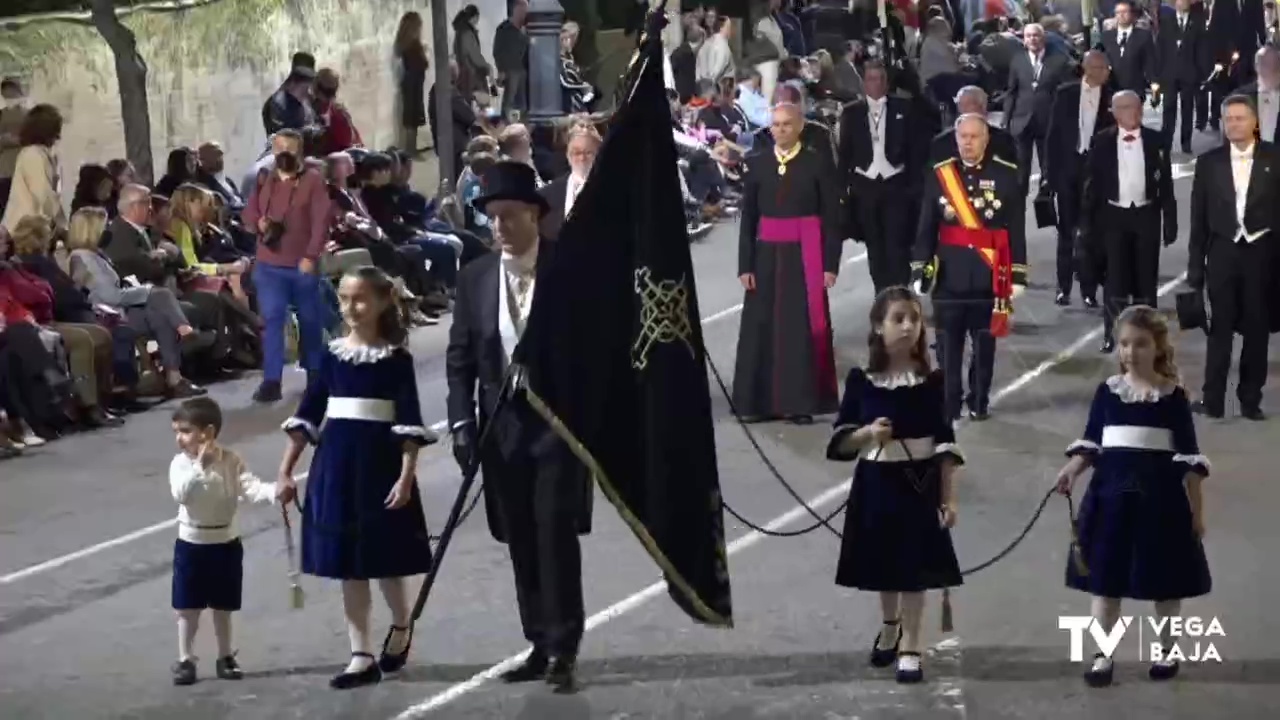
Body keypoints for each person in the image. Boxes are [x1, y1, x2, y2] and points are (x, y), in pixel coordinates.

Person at [445, 161, 591, 693]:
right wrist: (462, 422)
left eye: (509, 216)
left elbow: (592, 352)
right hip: (500, 431)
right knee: (520, 538)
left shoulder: (567, 271)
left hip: (556, 428)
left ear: (534, 214)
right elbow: (460, 358)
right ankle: (537, 640)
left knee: (554, 534)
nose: (500, 227)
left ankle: (564, 647)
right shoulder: (476, 277)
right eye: (492, 218)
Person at [277, 266, 437, 689]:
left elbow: (409, 421)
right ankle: (360, 654)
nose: (350, 307)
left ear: (384, 301)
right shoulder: (330, 356)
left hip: (380, 465)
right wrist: (286, 471)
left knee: (384, 559)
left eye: (360, 299)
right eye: (344, 298)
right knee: (350, 564)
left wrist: (405, 479)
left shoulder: (396, 360)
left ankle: (401, 625)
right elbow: (309, 413)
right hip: (337, 463)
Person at [1055, 305, 1212, 687]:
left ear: (1158, 347)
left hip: (1161, 507)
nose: (1129, 352)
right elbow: (1092, 442)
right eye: (1124, 344)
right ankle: (1102, 655)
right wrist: (1072, 471)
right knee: (1105, 583)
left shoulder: (1173, 399)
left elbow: (1189, 461)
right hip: (1110, 503)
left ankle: (1167, 651)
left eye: (1140, 344)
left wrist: (1197, 511)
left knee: (1166, 584)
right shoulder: (1107, 394)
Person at [826, 286, 963, 685]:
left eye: (915, 319)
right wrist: (867, 433)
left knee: (914, 571)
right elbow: (840, 440)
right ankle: (890, 626)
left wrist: (948, 497)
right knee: (885, 568)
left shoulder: (932, 382)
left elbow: (946, 443)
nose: (908, 326)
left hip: (918, 486)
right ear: (878, 326)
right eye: (898, 318)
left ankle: (911, 645)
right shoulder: (861, 381)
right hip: (875, 483)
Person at [912, 114, 1028, 423]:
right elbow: (926, 226)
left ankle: (979, 399)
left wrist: (1017, 273)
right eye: (962, 136)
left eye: (974, 136)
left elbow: (1015, 228)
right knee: (947, 348)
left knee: (984, 345)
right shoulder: (940, 175)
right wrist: (919, 270)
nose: (967, 142)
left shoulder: (1006, 175)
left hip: (988, 275)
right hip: (948, 275)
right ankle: (949, 402)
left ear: (986, 139)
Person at [733, 101, 843, 424]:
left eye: (786, 124)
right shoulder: (757, 164)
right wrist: (745, 266)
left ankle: (800, 403)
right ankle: (758, 403)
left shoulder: (817, 163)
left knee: (800, 329)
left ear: (799, 127)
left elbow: (831, 218)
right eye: (775, 125)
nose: (780, 130)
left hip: (804, 254)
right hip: (765, 254)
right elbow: (748, 219)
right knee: (761, 328)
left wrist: (830, 265)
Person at [169, 397, 286, 686]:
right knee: (188, 607)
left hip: (225, 543)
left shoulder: (231, 461)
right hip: (191, 544)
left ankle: (225, 656)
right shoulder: (180, 464)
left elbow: (250, 487)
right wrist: (200, 466)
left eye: (185, 431)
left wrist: (275, 492)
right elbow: (181, 495)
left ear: (207, 433)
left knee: (223, 606)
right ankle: (186, 659)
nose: (179, 439)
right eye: (177, 432)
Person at [1187, 94, 1279, 421]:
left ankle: (1250, 400)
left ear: (1254, 121)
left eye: (1240, 118)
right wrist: (1194, 272)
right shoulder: (1209, 162)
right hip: (1222, 253)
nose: (1233, 124)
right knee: (1219, 331)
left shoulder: (1275, 157)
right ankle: (1212, 399)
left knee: (1256, 331)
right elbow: (1198, 221)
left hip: (1262, 255)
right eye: (1228, 119)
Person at [1079, 91, 1177, 354]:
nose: (1130, 112)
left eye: (1134, 107)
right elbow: (1091, 185)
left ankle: (1150, 338)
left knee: (1147, 279)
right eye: (1122, 108)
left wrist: (1170, 220)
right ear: (1113, 112)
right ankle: (1113, 335)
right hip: (1113, 217)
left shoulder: (1156, 140)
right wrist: (1087, 224)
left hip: (1146, 216)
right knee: (1115, 279)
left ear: (1141, 110)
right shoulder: (1101, 141)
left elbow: (1166, 182)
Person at [242, 128, 330, 404]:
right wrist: (258, 222)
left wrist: (311, 256)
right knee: (272, 319)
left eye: (289, 150)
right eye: (279, 150)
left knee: (309, 319)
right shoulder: (264, 179)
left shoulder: (313, 181)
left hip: (301, 264)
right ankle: (271, 380)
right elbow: (249, 211)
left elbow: (321, 221)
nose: (283, 155)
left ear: (299, 151)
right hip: (269, 264)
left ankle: (315, 373)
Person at [837, 60, 922, 293]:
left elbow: (916, 152)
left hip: (896, 186)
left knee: (898, 244)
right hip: (865, 187)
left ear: (887, 82)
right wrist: (842, 189)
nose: (876, 84)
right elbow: (845, 153)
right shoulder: (851, 112)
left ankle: (901, 291)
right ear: (864, 83)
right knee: (875, 246)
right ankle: (882, 293)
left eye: (881, 79)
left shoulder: (904, 108)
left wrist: (914, 188)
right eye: (871, 79)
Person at [1045, 51, 1114, 309]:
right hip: (1068, 172)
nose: (1105, 72)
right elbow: (1053, 136)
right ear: (1086, 68)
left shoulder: (1112, 96)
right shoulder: (1065, 94)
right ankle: (1063, 288)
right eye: (1100, 67)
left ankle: (1089, 290)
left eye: (1106, 68)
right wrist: (1049, 177)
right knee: (1066, 233)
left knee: (1091, 234)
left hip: (1096, 175)